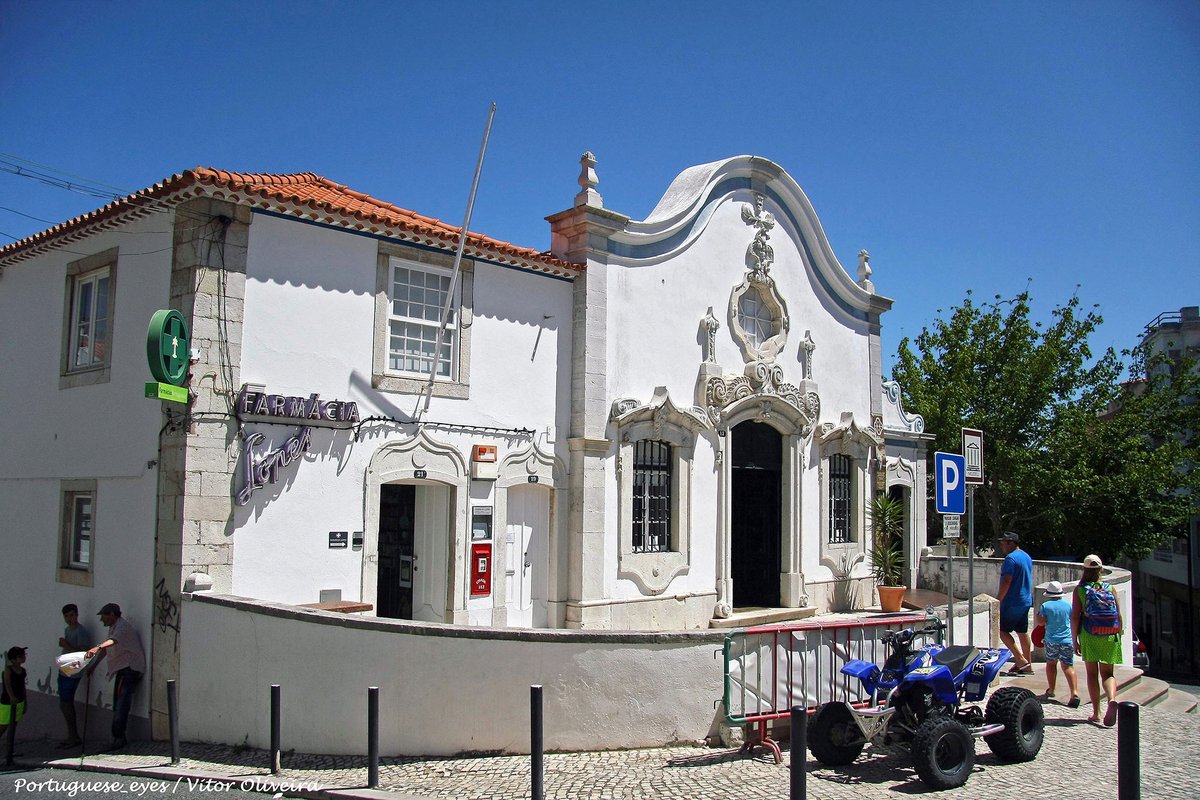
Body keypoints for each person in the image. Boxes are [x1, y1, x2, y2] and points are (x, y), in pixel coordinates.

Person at [1072, 554, 1123, 726]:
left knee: (1092, 674)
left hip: (1089, 634)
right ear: (1101, 570)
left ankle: (1096, 713)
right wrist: (1118, 634)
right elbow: (1119, 615)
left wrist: (1075, 640)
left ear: (1084, 570)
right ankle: (1111, 699)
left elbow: (1075, 617)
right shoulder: (1110, 588)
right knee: (1108, 674)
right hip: (1110, 635)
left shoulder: (1080, 590)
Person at [86, 603, 145, 750]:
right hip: (123, 669)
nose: (101, 620)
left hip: (129, 669)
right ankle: (118, 737)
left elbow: (113, 641)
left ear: (112, 614)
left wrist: (98, 647)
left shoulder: (122, 627)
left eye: (103, 616)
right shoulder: (114, 627)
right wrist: (93, 666)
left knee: (121, 704)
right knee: (118, 703)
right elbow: (107, 649)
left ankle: (118, 738)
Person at [1036, 581, 1079, 707]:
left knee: (1051, 664)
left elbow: (1041, 623)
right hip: (1067, 640)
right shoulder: (1068, 605)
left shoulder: (1045, 606)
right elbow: (1073, 620)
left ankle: (1051, 690)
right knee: (1068, 667)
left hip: (1052, 640)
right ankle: (1074, 692)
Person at [996, 531, 1034, 674]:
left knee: (1001, 630)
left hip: (1012, 601)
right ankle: (1027, 666)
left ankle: (1020, 659)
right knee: (1022, 632)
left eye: (1004, 543)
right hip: (1025, 600)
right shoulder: (1026, 556)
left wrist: (998, 600)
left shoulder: (1010, 559)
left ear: (1011, 543)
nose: (1002, 546)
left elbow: (1007, 581)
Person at [57, 603, 92, 747]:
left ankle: (74, 736)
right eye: (66, 616)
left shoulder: (80, 631)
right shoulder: (68, 630)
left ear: (76, 615)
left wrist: (66, 645)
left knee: (66, 703)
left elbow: (83, 654)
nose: (69, 618)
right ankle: (72, 735)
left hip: (73, 672)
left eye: (71, 615)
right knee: (64, 704)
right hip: (65, 669)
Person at [1, 646, 28, 760]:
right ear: (13, 659)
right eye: (20, 656)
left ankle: (10, 750)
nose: (23, 658)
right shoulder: (8, 670)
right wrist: (12, 697)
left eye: (23, 655)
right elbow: (7, 684)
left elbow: (23, 687)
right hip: (7, 703)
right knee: (3, 726)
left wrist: (25, 701)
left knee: (13, 726)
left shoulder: (22, 671)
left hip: (19, 702)